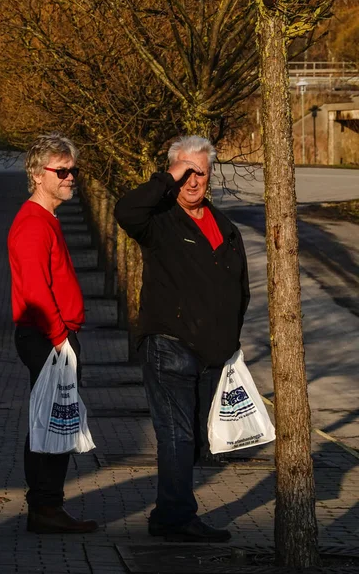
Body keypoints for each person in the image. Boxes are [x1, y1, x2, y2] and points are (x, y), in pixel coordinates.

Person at [115, 135, 250, 542]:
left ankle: (168, 513)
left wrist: (231, 341)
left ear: (211, 176)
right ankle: (175, 517)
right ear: (173, 174)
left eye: (201, 173)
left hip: (212, 352)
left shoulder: (223, 226)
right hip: (168, 343)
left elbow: (240, 287)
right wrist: (165, 180)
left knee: (194, 436)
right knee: (177, 433)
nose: (193, 182)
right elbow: (126, 210)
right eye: (185, 173)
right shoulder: (158, 219)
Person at [8, 132, 98, 534]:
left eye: (73, 170)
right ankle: (44, 508)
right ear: (37, 174)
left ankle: (46, 506)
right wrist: (61, 339)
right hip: (47, 338)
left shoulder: (46, 220)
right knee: (52, 421)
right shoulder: (32, 223)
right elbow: (35, 291)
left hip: (53, 338)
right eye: (61, 171)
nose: (70, 177)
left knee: (55, 419)